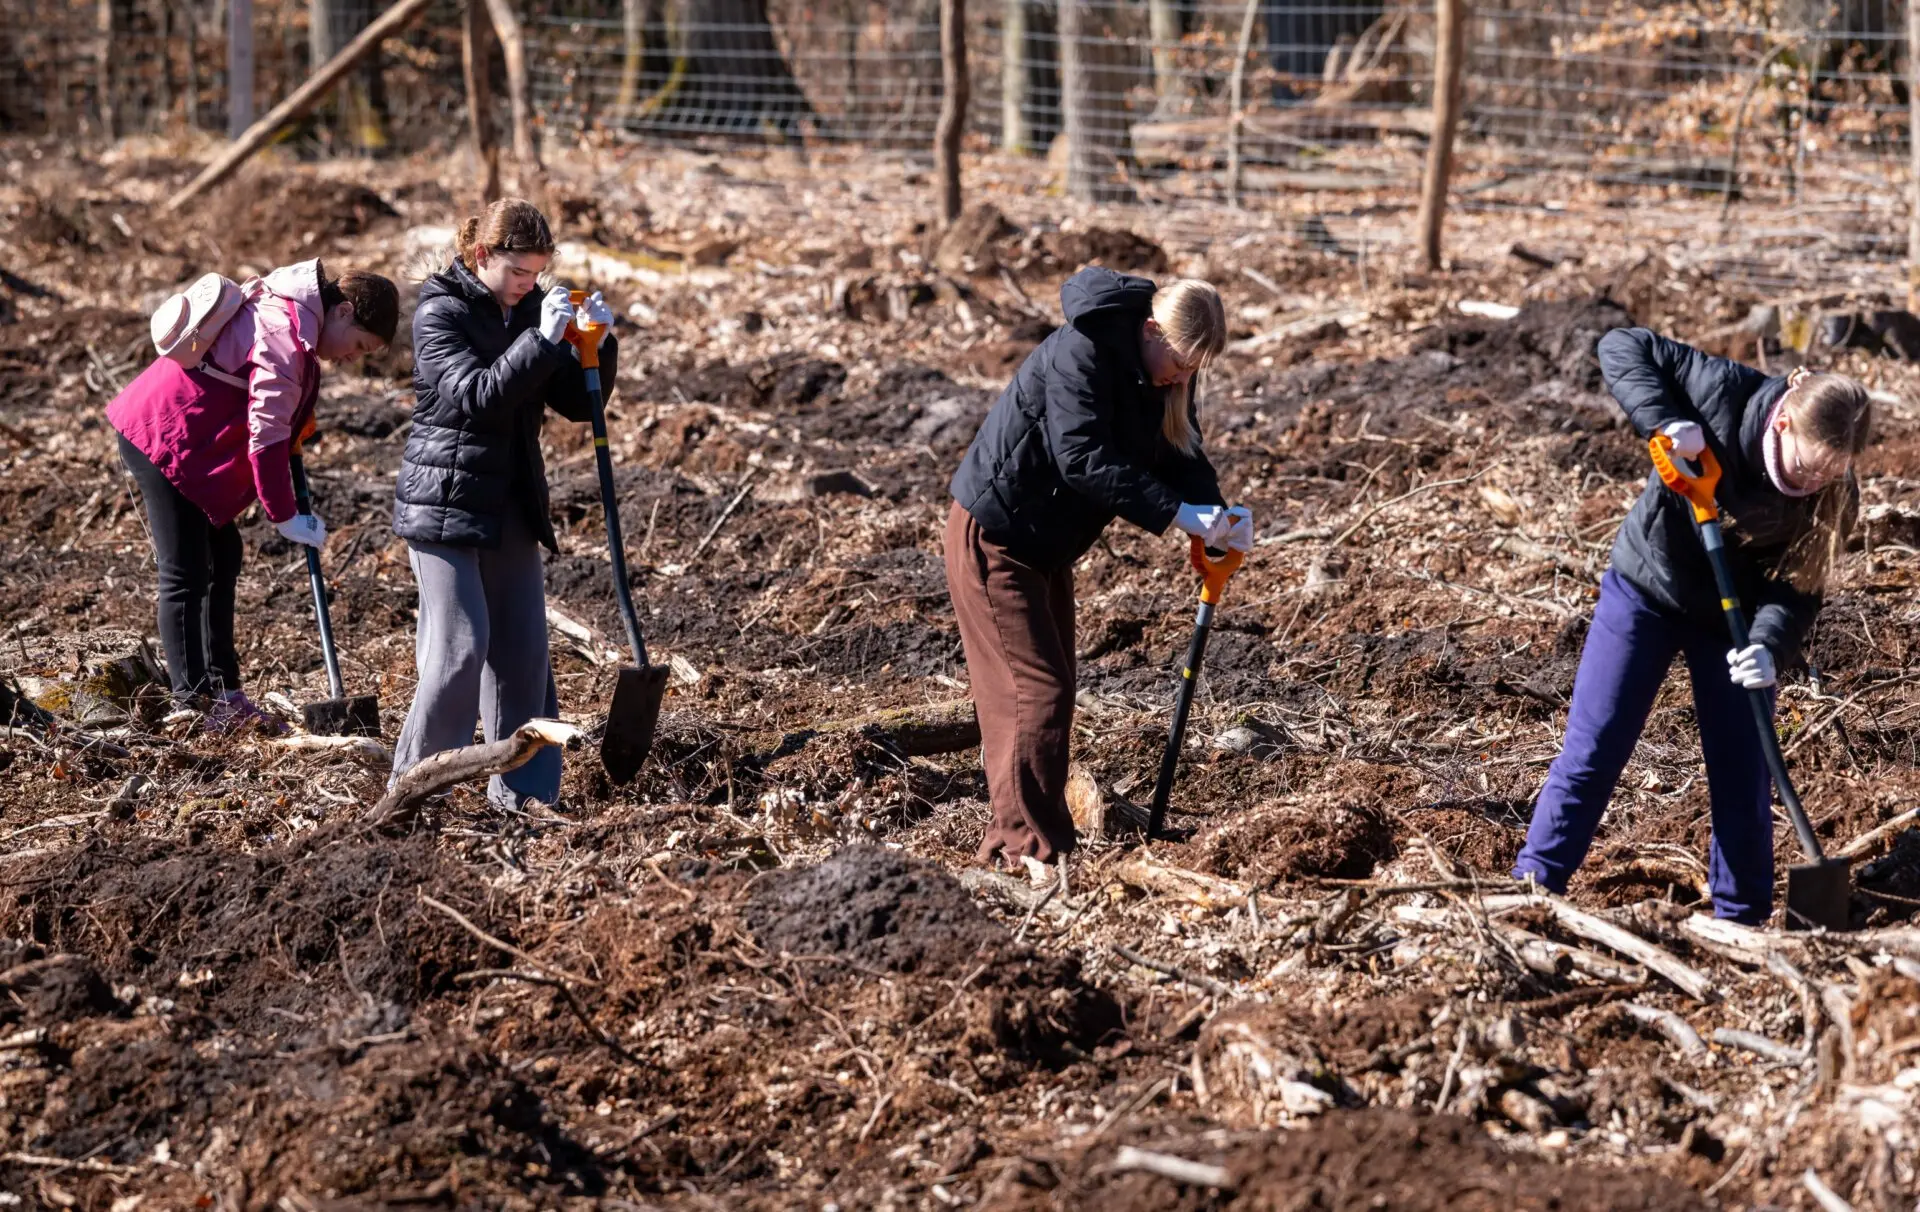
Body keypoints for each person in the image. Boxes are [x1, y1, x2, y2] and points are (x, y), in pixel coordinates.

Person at [1514, 328, 1871, 924]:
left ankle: (1742, 918)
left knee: (1743, 767)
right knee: (1596, 748)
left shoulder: (1835, 491)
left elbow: (1798, 588)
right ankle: (1532, 889)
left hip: (1731, 625)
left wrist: (1768, 647)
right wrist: (1664, 419)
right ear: (1783, 423)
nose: (1815, 484)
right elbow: (1621, 344)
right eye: (1809, 470)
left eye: (1830, 475)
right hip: (1648, 589)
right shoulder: (1721, 392)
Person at [945, 268, 1252, 867]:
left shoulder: (1161, 370)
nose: (1184, 379)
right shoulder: (1081, 353)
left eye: (1195, 370)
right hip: (996, 536)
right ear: (1149, 330)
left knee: (1049, 690)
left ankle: (1033, 839)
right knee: (1034, 692)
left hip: (1044, 545)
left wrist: (1217, 517)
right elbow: (1082, 456)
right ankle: (1024, 849)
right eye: (1182, 364)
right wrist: (1179, 516)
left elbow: (1180, 449)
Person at [389, 198, 617, 810]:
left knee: (523, 657)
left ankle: (527, 796)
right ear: (482, 254)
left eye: (536, 273)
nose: (527, 285)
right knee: (460, 649)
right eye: (518, 272)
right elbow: (478, 396)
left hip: (512, 502)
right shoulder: (441, 312)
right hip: (446, 507)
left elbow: (578, 402)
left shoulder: (530, 309)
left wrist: (595, 343)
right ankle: (416, 791)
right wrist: (540, 342)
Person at [107, 260, 398, 732]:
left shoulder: (296, 323)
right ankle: (192, 704)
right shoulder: (285, 332)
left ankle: (225, 692)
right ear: (343, 312)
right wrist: (284, 515)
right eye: (359, 346)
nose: (351, 358)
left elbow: (272, 411)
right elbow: (264, 438)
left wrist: (298, 423)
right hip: (162, 436)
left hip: (191, 441)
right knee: (186, 571)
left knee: (224, 557)